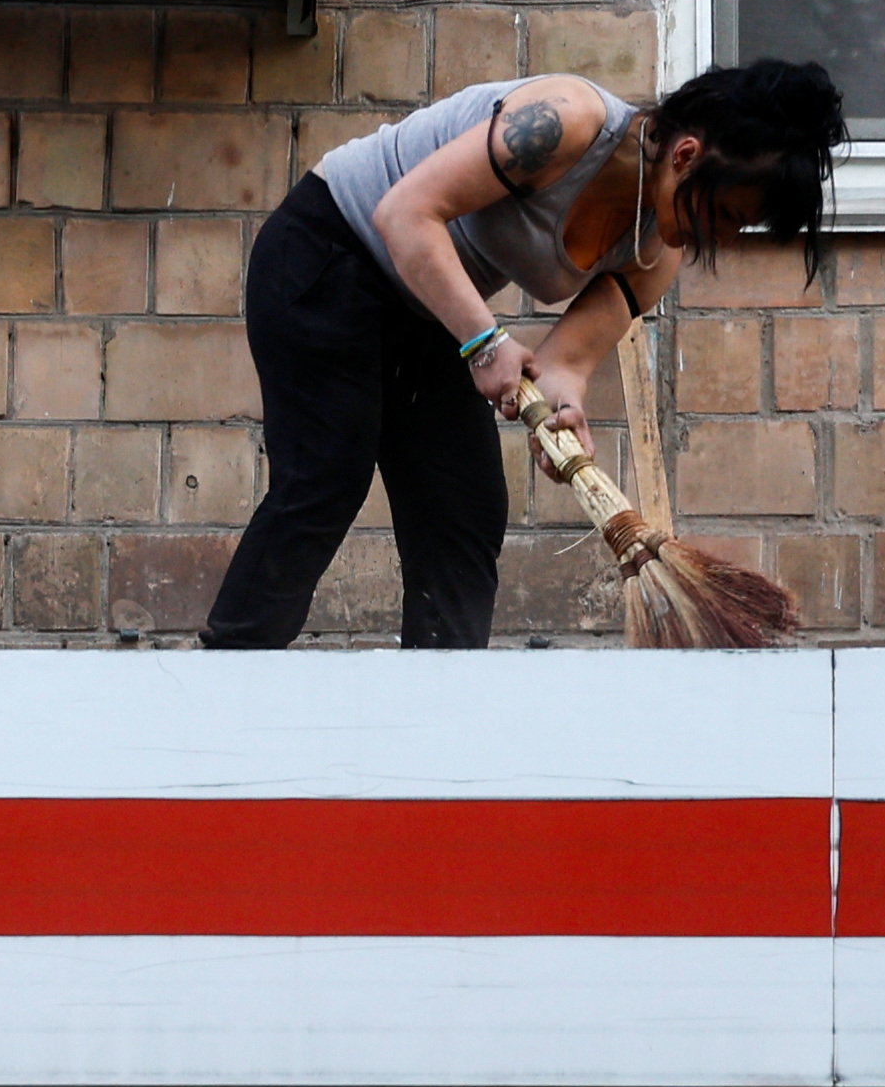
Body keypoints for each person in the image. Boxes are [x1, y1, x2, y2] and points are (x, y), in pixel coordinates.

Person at [200, 63, 847, 650]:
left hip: (423, 308)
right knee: (326, 475)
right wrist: (484, 342)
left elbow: (565, 362)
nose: (725, 237)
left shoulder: (655, 252)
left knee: (465, 508)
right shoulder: (564, 121)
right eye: (730, 213)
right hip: (330, 250)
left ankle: (436, 719)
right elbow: (405, 214)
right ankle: (226, 677)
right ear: (686, 154)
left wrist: (561, 409)